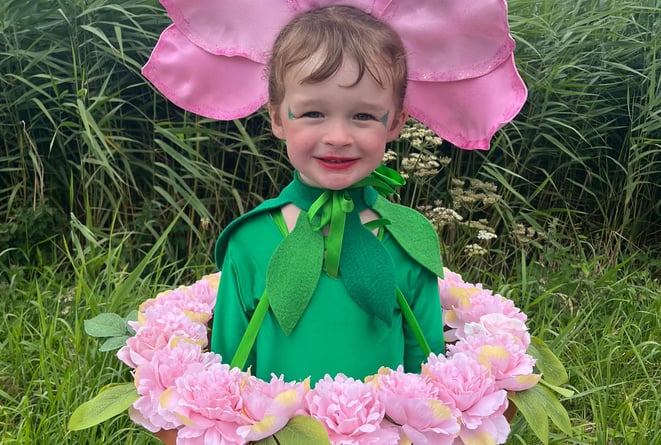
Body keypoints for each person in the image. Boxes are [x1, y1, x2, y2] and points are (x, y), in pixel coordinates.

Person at [144, 2, 527, 443]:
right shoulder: (249, 240)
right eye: (313, 113)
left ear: (397, 121)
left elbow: (431, 376)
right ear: (277, 118)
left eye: (363, 115)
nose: (339, 136)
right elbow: (225, 374)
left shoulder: (409, 239)